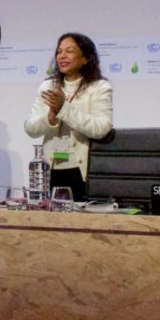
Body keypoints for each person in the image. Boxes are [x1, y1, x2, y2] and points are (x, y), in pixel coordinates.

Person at [23, 33, 114, 202]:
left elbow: (101, 128)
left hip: (81, 171)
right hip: (49, 171)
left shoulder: (99, 87)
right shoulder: (48, 86)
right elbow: (30, 128)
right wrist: (50, 117)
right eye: (59, 51)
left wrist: (64, 109)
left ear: (85, 58)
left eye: (69, 51)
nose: (62, 56)